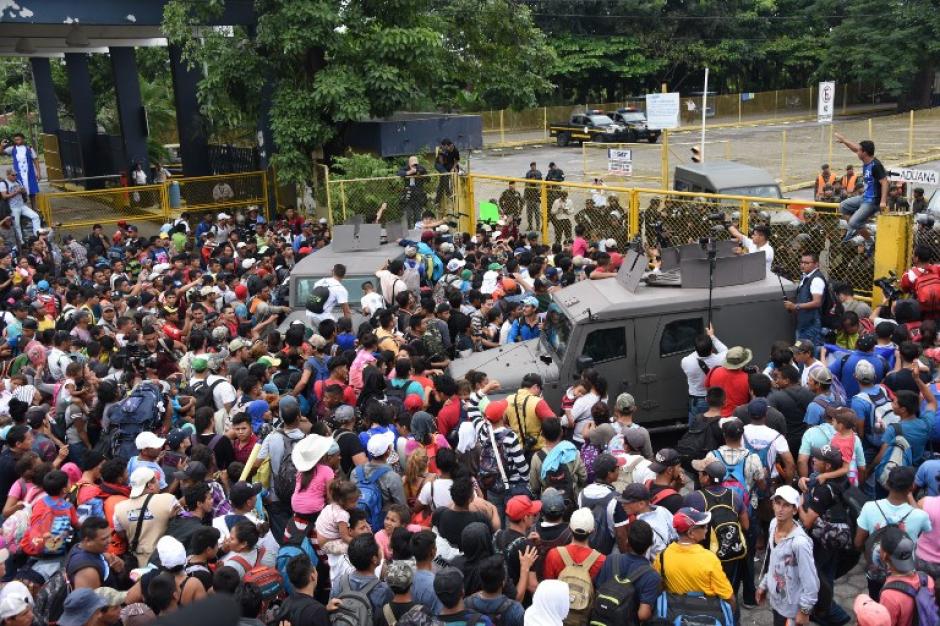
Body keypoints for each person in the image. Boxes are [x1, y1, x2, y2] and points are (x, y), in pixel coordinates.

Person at [856, 466, 932, 598]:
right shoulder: (920, 516)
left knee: (876, 601)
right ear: (912, 487)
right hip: (905, 575)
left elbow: (858, 543)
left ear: (887, 484)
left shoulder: (869, 507)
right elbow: (928, 535)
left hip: (876, 573)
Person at [756, 486, 819, 626]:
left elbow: (811, 582)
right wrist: (764, 584)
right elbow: (773, 561)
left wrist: (804, 611)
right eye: (777, 503)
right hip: (777, 602)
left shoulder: (800, 543)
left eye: (786, 505)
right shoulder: (773, 525)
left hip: (791, 610)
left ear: (795, 510)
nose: (780, 509)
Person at [653, 507, 734, 605]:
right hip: (704, 613)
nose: (706, 528)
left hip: (676, 613)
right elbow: (727, 595)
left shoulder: (661, 557)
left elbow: (658, 587)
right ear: (690, 533)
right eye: (703, 526)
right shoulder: (709, 558)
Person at [112, 467, 181, 567]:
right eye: (157, 480)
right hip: (163, 562)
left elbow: (121, 534)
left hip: (136, 564)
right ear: (150, 485)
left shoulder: (119, 508)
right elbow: (182, 523)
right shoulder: (168, 500)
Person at [833, 133, 888, 239]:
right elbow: (855, 148)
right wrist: (844, 140)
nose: (857, 152)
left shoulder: (875, 165)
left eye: (859, 151)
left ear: (865, 153)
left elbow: (885, 182)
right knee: (842, 207)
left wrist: (883, 201)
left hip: (872, 201)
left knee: (853, 223)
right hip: (864, 197)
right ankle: (860, 227)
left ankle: (869, 240)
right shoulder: (866, 160)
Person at [681, 324, 729, 421]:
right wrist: (712, 336)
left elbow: (694, 356)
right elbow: (725, 350)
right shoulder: (721, 359)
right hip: (715, 398)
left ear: (695, 349)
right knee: (714, 424)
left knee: (695, 426)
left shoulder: (686, 361)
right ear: (712, 349)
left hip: (696, 400)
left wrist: (698, 349)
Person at [785, 252, 828, 345]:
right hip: (803, 323)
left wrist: (795, 306)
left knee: (806, 352)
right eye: (801, 262)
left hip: (811, 324)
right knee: (800, 351)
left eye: (807, 263)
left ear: (816, 264)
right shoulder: (805, 277)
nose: (803, 265)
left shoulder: (816, 280)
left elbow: (817, 302)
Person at [279, 554, 332, 626]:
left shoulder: (285, 603)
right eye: (315, 569)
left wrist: (325, 610)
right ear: (312, 576)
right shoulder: (318, 612)